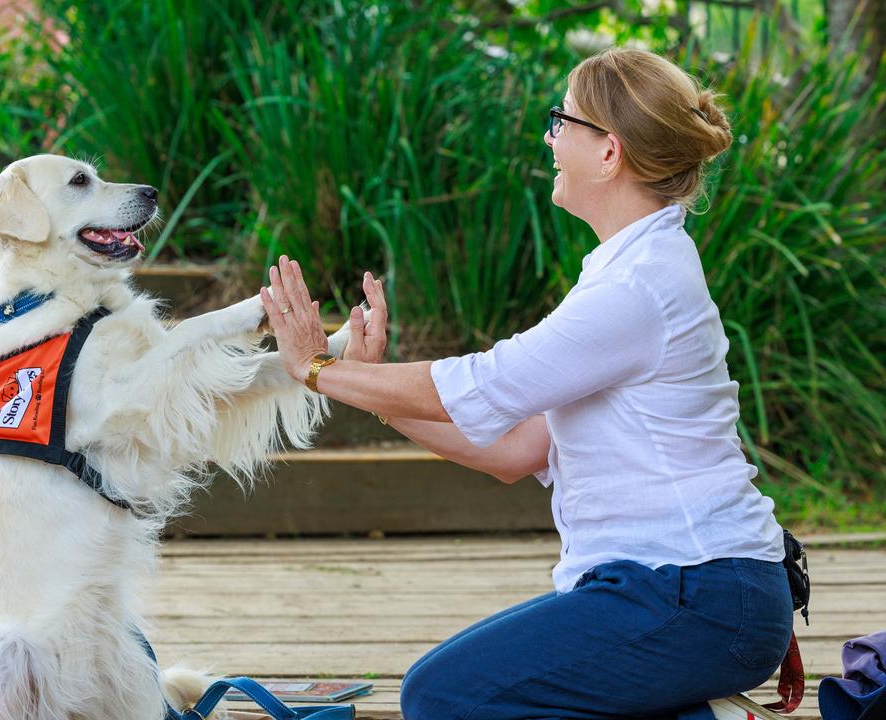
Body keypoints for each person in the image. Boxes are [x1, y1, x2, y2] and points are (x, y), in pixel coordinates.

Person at [260, 47, 793, 720]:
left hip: (697, 593)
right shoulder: (627, 271)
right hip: (680, 590)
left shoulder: (638, 287)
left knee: (446, 694)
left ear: (609, 154)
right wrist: (362, 386)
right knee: (451, 687)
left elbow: (485, 382)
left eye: (562, 120)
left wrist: (319, 369)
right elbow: (519, 450)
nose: (549, 137)